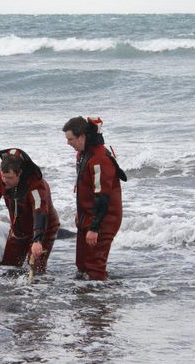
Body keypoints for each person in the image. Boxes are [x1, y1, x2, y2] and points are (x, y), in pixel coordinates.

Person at [63, 116, 126, 280]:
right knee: (82, 265)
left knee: (94, 268)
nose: (68, 143)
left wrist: (95, 228)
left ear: (82, 136)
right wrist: (80, 212)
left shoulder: (99, 159)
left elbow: (102, 196)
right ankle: (85, 303)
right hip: (87, 215)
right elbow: (85, 187)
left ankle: (101, 302)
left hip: (104, 218)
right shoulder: (82, 154)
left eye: (70, 139)